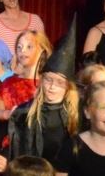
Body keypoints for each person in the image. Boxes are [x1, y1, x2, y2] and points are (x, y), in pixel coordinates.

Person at [7, 20, 78, 163]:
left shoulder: (76, 114)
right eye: (48, 80)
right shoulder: (23, 113)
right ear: (41, 80)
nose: (52, 87)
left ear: (68, 86)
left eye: (59, 82)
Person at [0, 31, 53, 117]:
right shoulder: (9, 83)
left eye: (29, 47)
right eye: (19, 47)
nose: (22, 50)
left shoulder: (48, 83)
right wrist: (8, 114)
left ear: (42, 51)